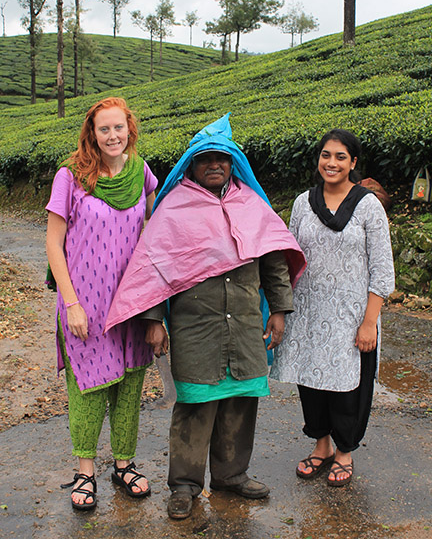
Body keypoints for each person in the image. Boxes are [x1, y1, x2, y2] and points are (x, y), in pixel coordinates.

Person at [105, 113, 306, 520]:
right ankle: (184, 485)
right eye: (206, 159)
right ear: (191, 165)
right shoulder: (174, 208)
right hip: (195, 327)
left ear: (233, 164)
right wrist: (155, 320)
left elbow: (273, 264)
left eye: (223, 159)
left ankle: (233, 474)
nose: (215, 165)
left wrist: (280, 311)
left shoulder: (251, 205)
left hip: (246, 322)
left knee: (239, 403)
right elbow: (154, 268)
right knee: (194, 408)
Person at [46, 97, 158, 510]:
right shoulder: (71, 177)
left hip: (129, 303)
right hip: (86, 304)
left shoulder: (141, 172)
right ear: (91, 133)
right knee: (89, 386)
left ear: (130, 128)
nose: (113, 136)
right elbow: (53, 245)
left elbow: (152, 230)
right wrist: (70, 303)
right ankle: (85, 470)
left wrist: (153, 304)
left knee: (130, 384)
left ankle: (124, 464)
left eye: (119, 128)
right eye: (104, 129)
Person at [271, 129, 395, 487]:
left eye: (341, 157)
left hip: (353, 316)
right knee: (311, 383)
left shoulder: (367, 205)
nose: (332, 163)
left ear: (353, 163)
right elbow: (290, 256)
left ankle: (344, 452)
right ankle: (321, 445)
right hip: (309, 313)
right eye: (326, 155)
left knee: (348, 388)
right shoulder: (302, 203)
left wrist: (370, 321)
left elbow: (382, 269)